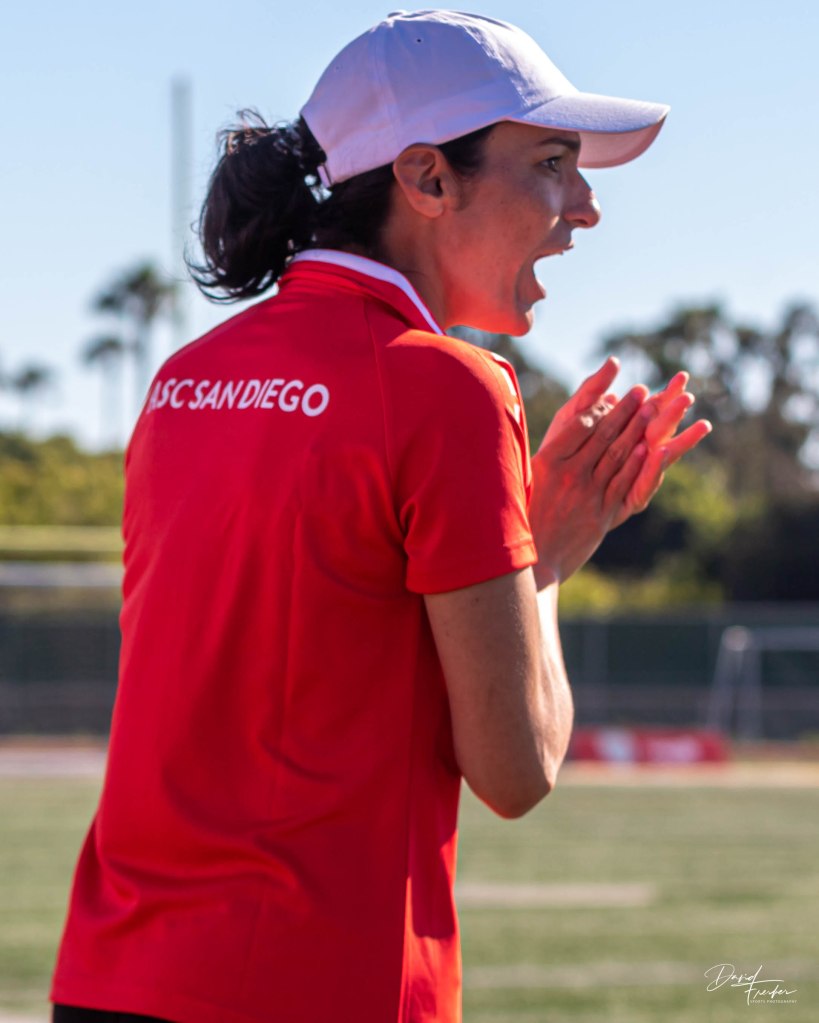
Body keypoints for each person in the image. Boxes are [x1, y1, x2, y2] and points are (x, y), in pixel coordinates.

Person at [51, 10, 710, 1023]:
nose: (583, 205)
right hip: (321, 986)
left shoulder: (184, 378)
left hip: (109, 981)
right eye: (550, 163)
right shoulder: (449, 390)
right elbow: (517, 769)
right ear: (426, 178)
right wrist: (545, 561)